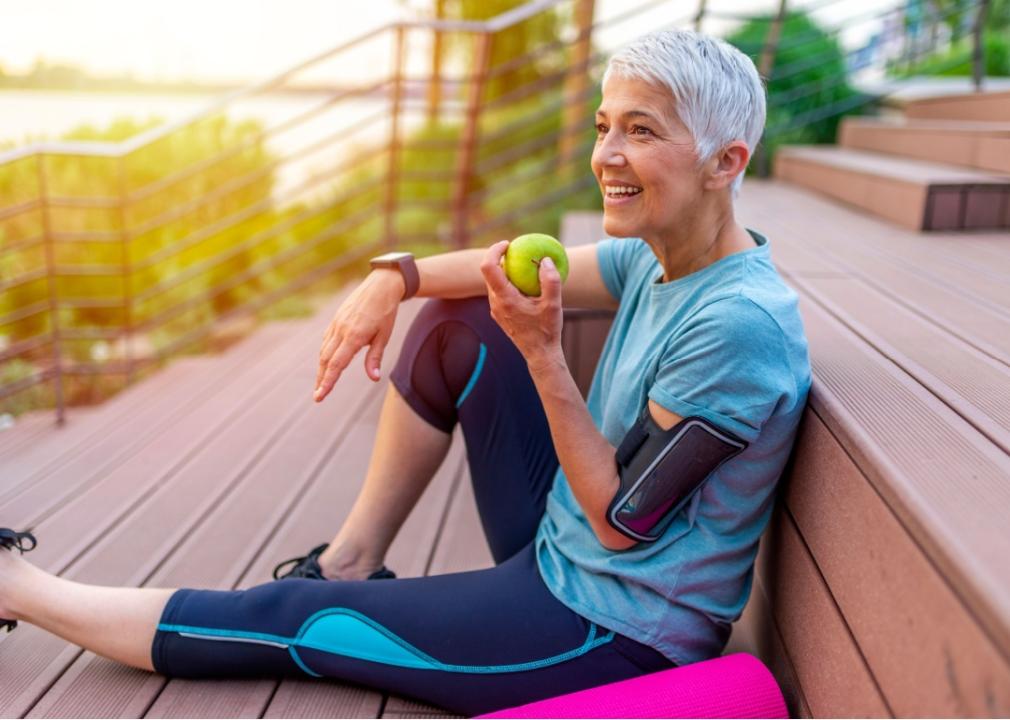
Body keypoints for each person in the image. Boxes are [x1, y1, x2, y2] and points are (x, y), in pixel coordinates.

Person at [0, 29, 810, 716]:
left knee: (301, 621)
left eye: (640, 130)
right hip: (563, 550)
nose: (607, 154)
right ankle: (353, 556)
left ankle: (20, 589)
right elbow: (492, 269)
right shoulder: (659, 256)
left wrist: (542, 353)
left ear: (724, 161)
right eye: (604, 125)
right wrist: (395, 275)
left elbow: (619, 524)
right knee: (456, 319)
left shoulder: (736, 327)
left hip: (610, 630)